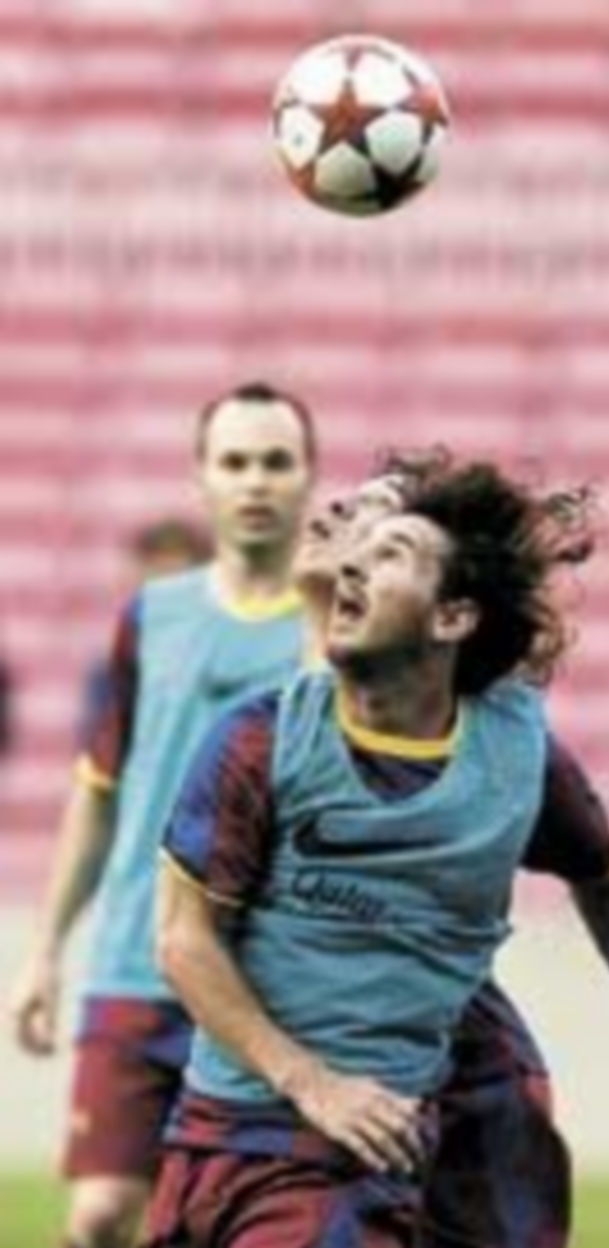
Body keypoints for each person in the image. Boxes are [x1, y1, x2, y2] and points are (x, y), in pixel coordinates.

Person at [146, 459, 609, 1248]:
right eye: (355, 546)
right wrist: (315, 1083)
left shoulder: (516, 754)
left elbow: (605, 879)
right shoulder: (258, 740)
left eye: (390, 552)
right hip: (234, 1128)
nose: (352, 559)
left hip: (374, 1142)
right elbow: (181, 939)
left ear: (451, 618)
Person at [9, 381, 317, 1248]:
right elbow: (98, 790)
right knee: (104, 1211)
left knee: (213, 1222)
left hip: (266, 979)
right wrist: (43, 953)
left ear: (307, 477)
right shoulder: (150, 617)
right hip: (136, 961)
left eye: (275, 462)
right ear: (203, 477)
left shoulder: (333, 628)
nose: (255, 481)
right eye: (235, 462)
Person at [76, 518, 212, 750]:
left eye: (178, 582)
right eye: (158, 581)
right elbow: (98, 751)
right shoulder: (113, 667)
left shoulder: (230, 659)